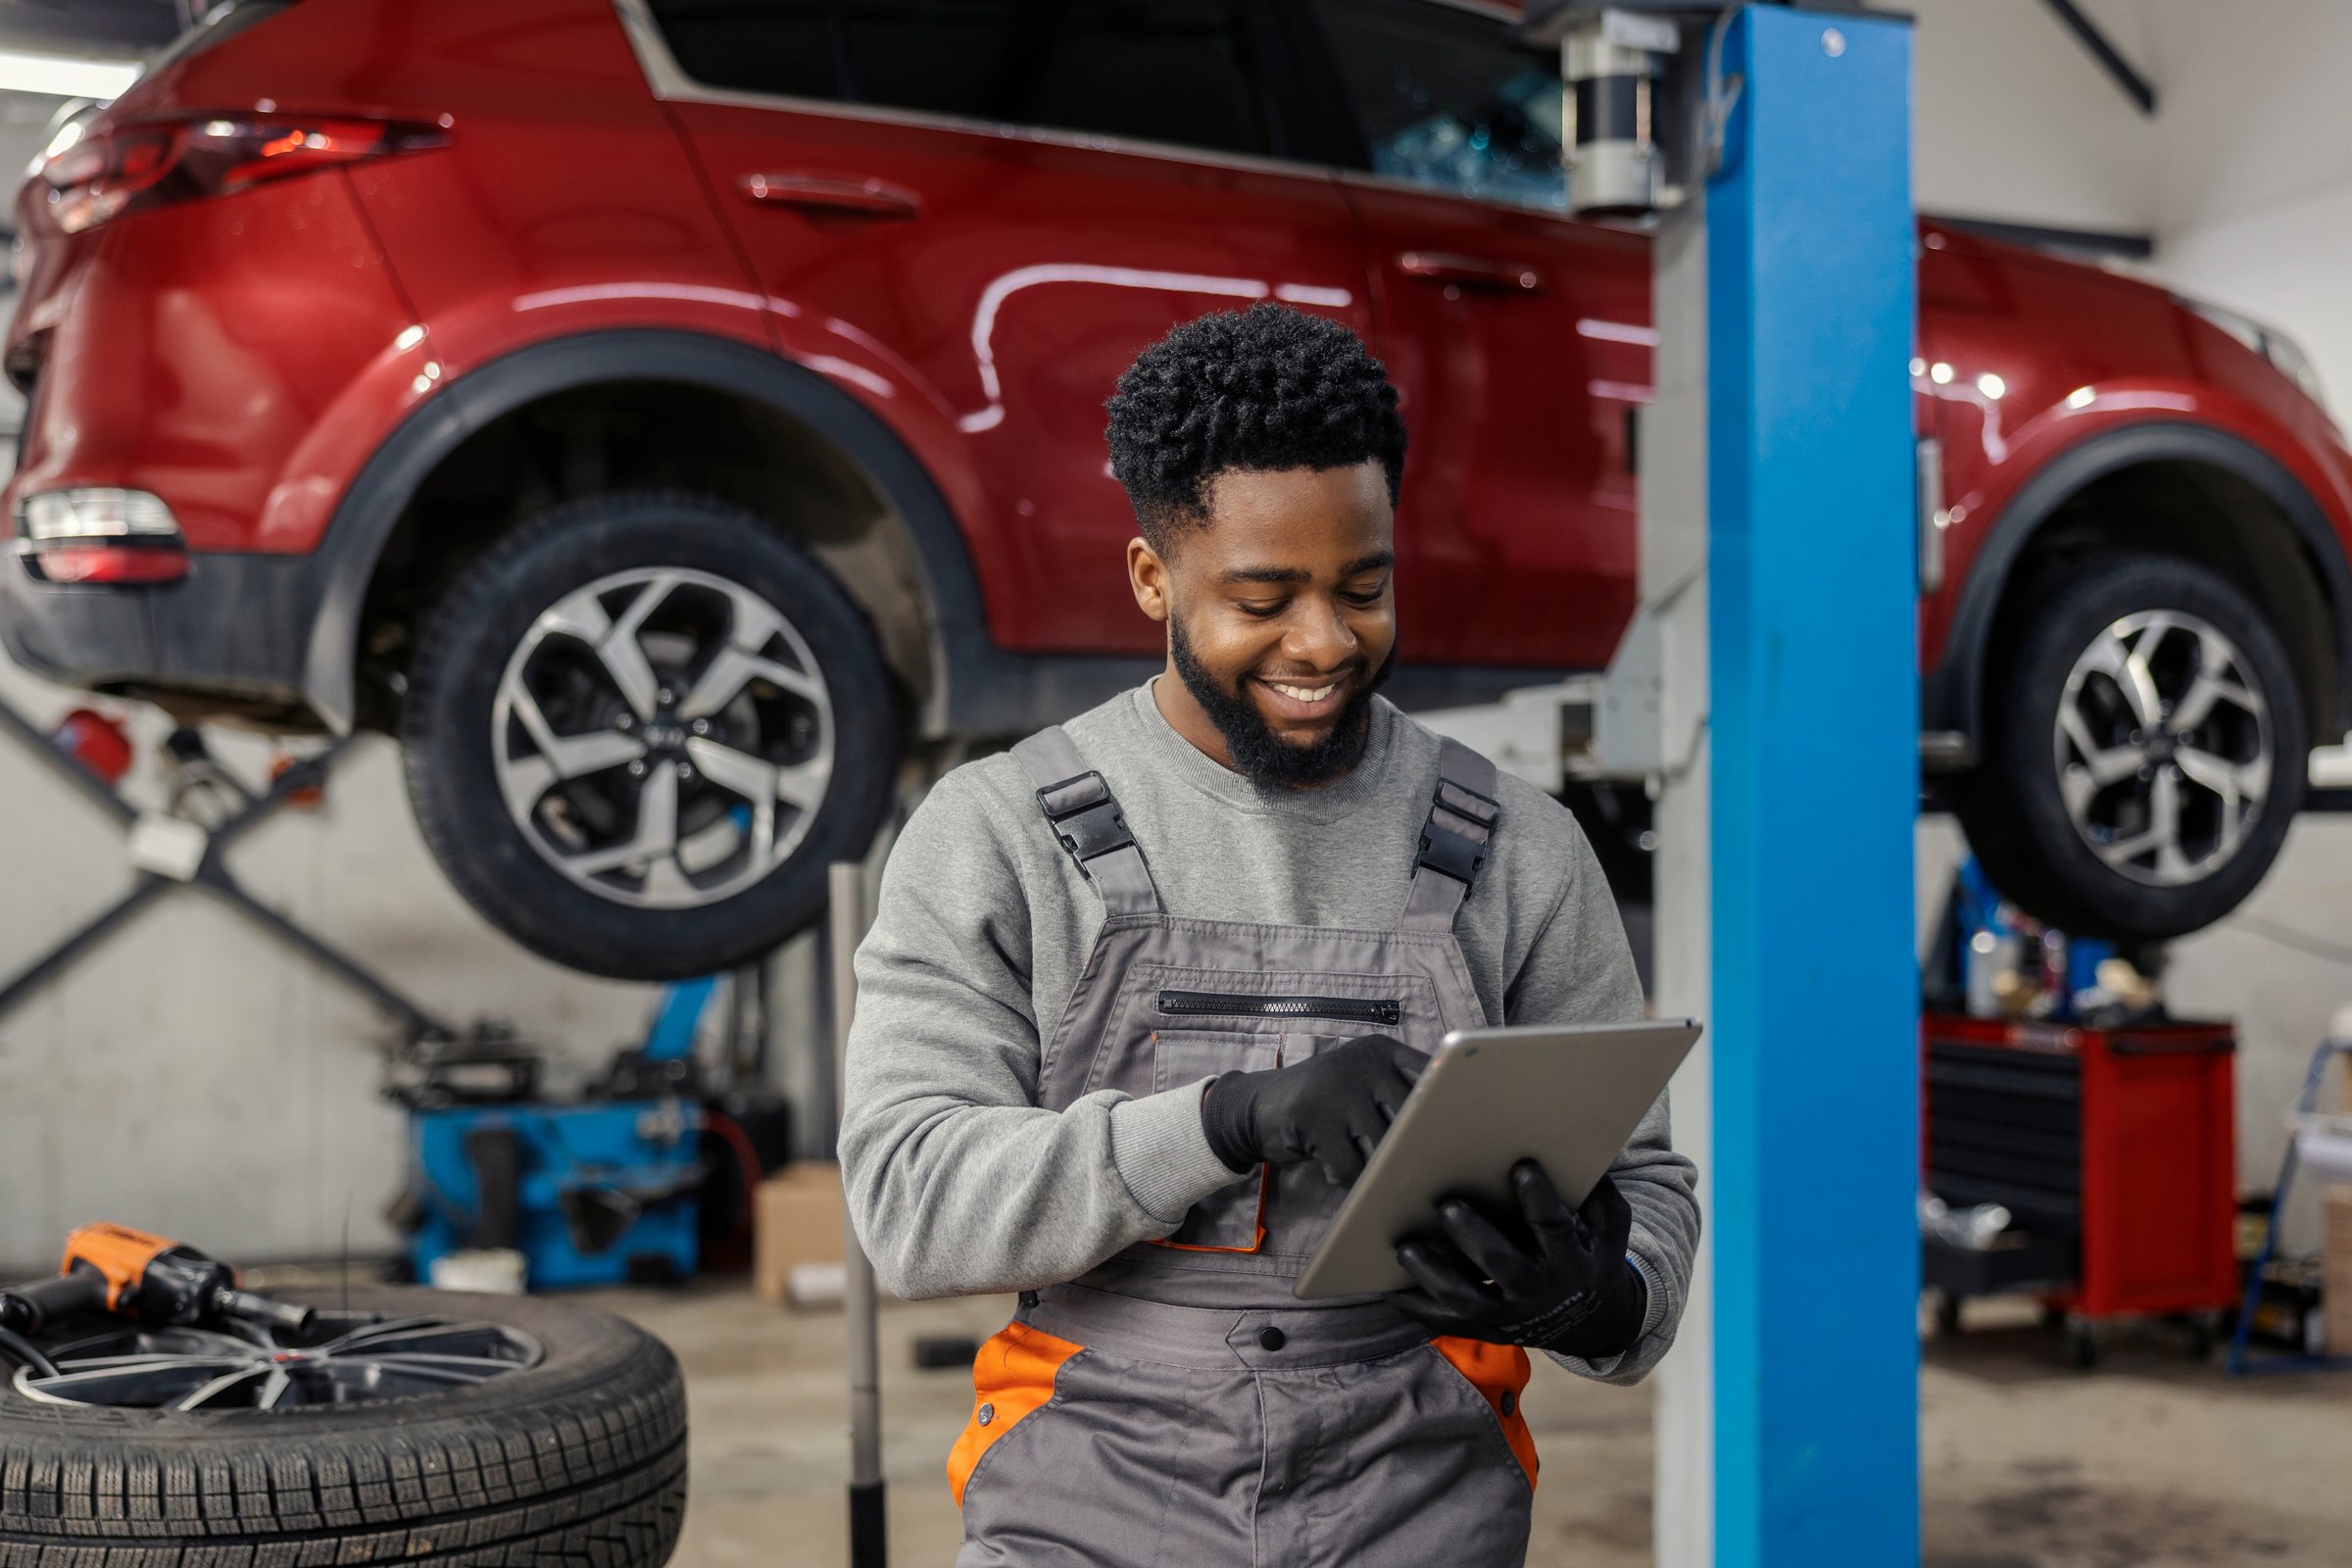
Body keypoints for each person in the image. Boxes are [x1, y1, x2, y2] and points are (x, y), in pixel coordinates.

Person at [841, 303, 1698, 1566]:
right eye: (1264, 597)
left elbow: (1649, 1189)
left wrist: (1593, 1294)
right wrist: (1228, 1116)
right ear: (1154, 581)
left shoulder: (1517, 846)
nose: (1326, 643)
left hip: (1419, 1501)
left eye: (1364, 587)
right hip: (1088, 1500)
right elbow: (914, 1205)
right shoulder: (1002, 833)